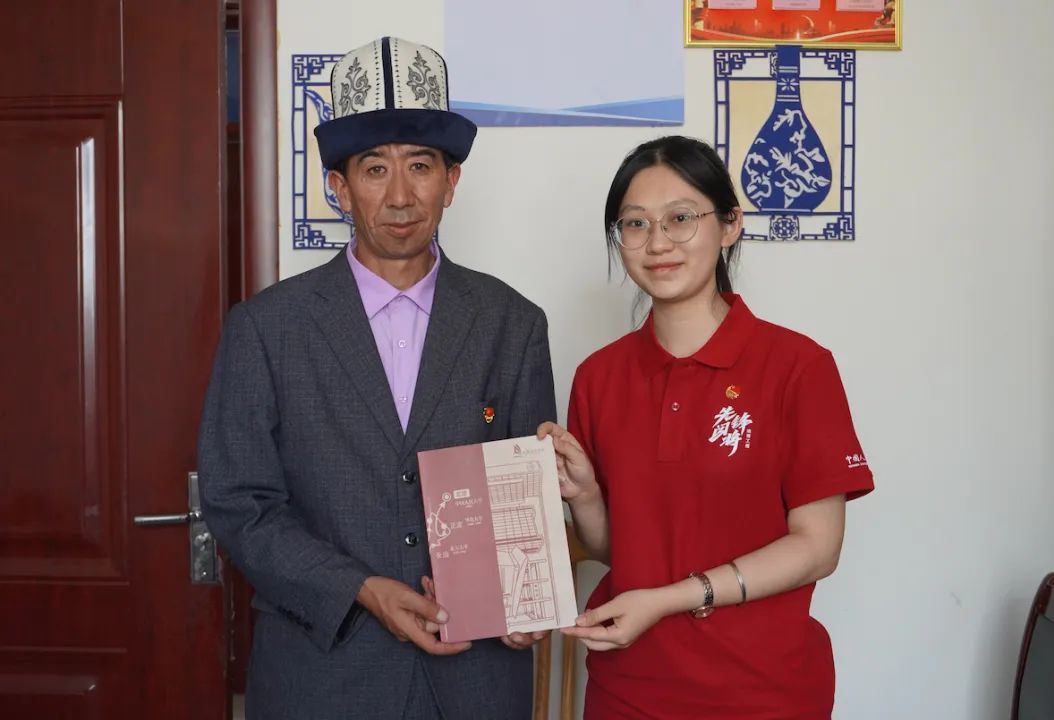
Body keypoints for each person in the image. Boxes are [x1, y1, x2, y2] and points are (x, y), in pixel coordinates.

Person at [198, 36, 555, 720]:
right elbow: (239, 503)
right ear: (339, 186)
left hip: (476, 679)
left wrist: (525, 600)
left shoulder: (512, 323)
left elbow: (524, 498)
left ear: (451, 182)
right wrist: (359, 587)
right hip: (322, 677)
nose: (399, 195)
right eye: (373, 169)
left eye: (420, 166)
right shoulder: (266, 328)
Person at [540, 135, 874, 719]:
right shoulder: (599, 377)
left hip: (763, 692)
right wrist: (587, 495)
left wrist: (668, 600)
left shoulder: (798, 367)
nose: (657, 243)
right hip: (628, 688)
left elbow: (818, 548)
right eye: (636, 224)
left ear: (729, 226)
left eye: (681, 218)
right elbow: (622, 549)